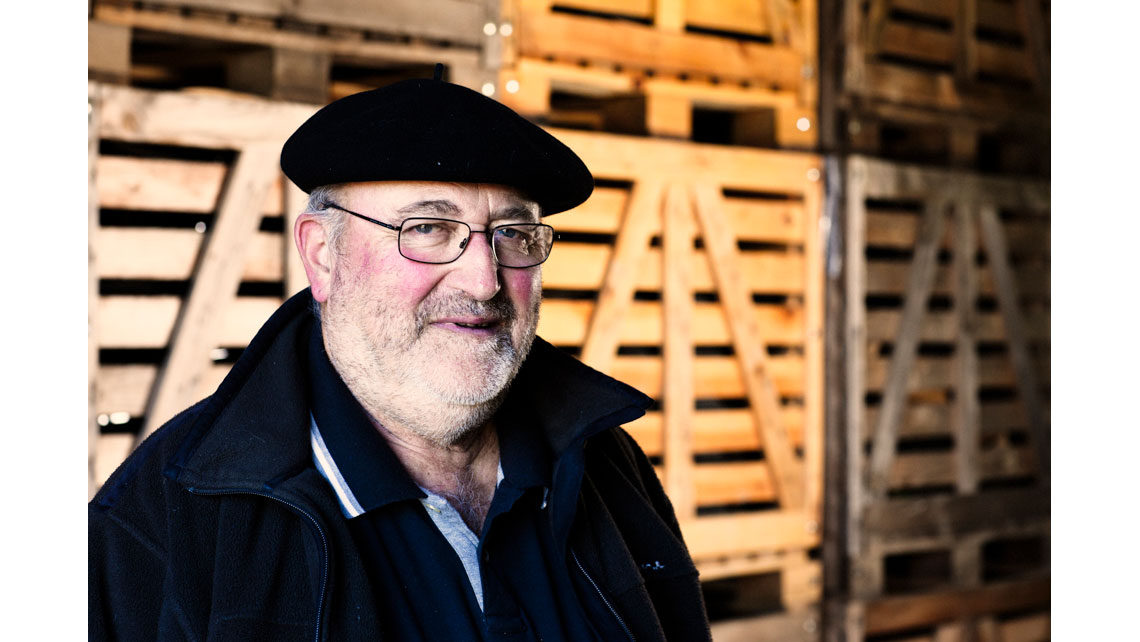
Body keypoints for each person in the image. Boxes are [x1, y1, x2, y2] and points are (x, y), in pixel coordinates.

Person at [89, 72, 711, 641]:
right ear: (322, 254)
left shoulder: (605, 464)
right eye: (427, 229)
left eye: (514, 234)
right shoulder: (163, 524)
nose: (484, 281)